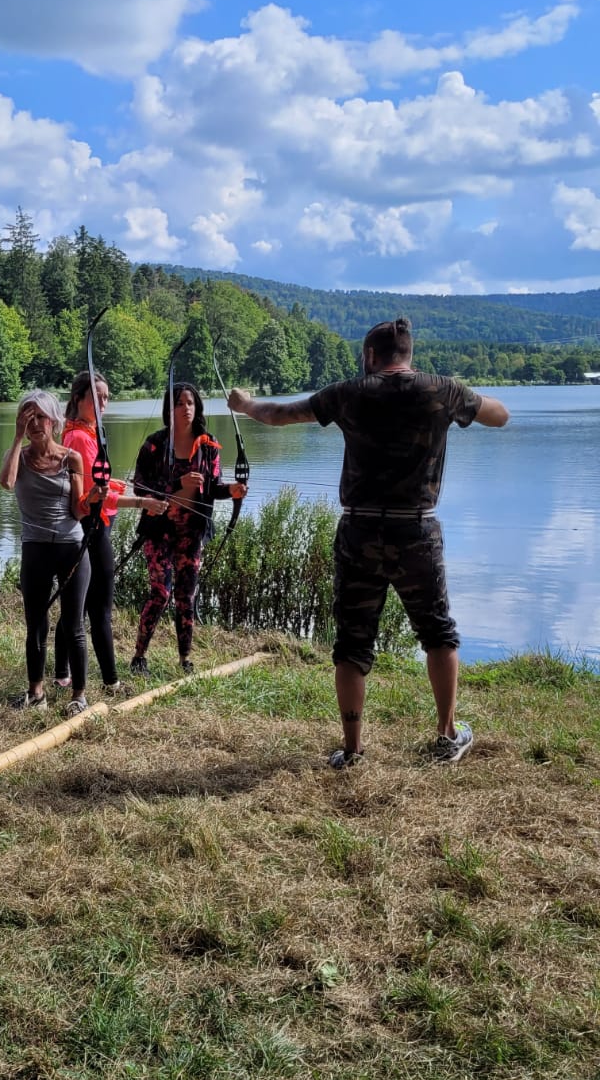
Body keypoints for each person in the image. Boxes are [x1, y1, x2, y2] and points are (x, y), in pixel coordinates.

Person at [227, 315, 509, 768]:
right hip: (417, 530)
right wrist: (465, 398)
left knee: (353, 643)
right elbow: (500, 416)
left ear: (371, 355)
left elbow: (279, 416)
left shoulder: (350, 393)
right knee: (438, 632)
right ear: (409, 354)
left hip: (359, 531)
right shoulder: (442, 391)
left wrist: (244, 404)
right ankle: (446, 735)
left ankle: (353, 749)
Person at [51, 370, 166, 694]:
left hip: (92, 526)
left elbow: (98, 483)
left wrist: (116, 484)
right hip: (93, 527)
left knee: (78, 603)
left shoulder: (83, 432)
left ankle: (62, 673)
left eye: (107, 397)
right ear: (78, 399)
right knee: (99, 608)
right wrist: (142, 501)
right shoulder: (79, 437)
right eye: (97, 397)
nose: (104, 402)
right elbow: (93, 495)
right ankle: (111, 681)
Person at [129, 381, 245, 676]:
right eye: (179, 403)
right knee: (161, 593)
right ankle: (139, 656)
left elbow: (214, 486)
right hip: (159, 529)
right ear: (169, 409)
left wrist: (232, 490)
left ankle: (184, 660)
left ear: (198, 407)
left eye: (190, 403)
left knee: (186, 596)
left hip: (192, 533)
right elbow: (140, 486)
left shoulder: (208, 445)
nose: (185, 409)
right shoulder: (154, 444)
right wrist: (177, 484)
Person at [0, 390, 91, 716]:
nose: (35, 424)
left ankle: (79, 695)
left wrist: (95, 499)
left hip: (71, 547)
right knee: (36, 623)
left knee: (73, 624)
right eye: (28, 418)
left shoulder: (71, 458)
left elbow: (78, 511)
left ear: (54, 421)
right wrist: (16, 438)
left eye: (40, 417)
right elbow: (7, 482)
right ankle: (35, 692)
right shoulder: (19, 457)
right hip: (35, 548)